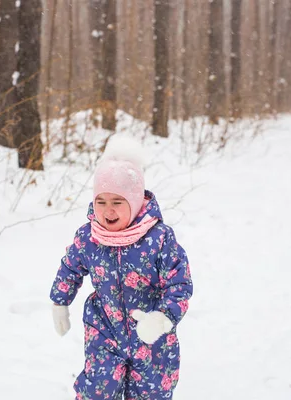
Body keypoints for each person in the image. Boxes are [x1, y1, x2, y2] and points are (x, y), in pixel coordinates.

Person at [50, 136, 193, 400]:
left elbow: (179, 284)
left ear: (136, 200)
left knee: (152, 392)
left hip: (151, 335)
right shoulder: (89, 237)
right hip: (103, 329)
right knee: (97, 390)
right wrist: (60, 301)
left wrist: (162, 318)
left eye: (117, 201)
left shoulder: (159, 239)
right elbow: (70, 268)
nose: (108, 210)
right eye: (101, 201)